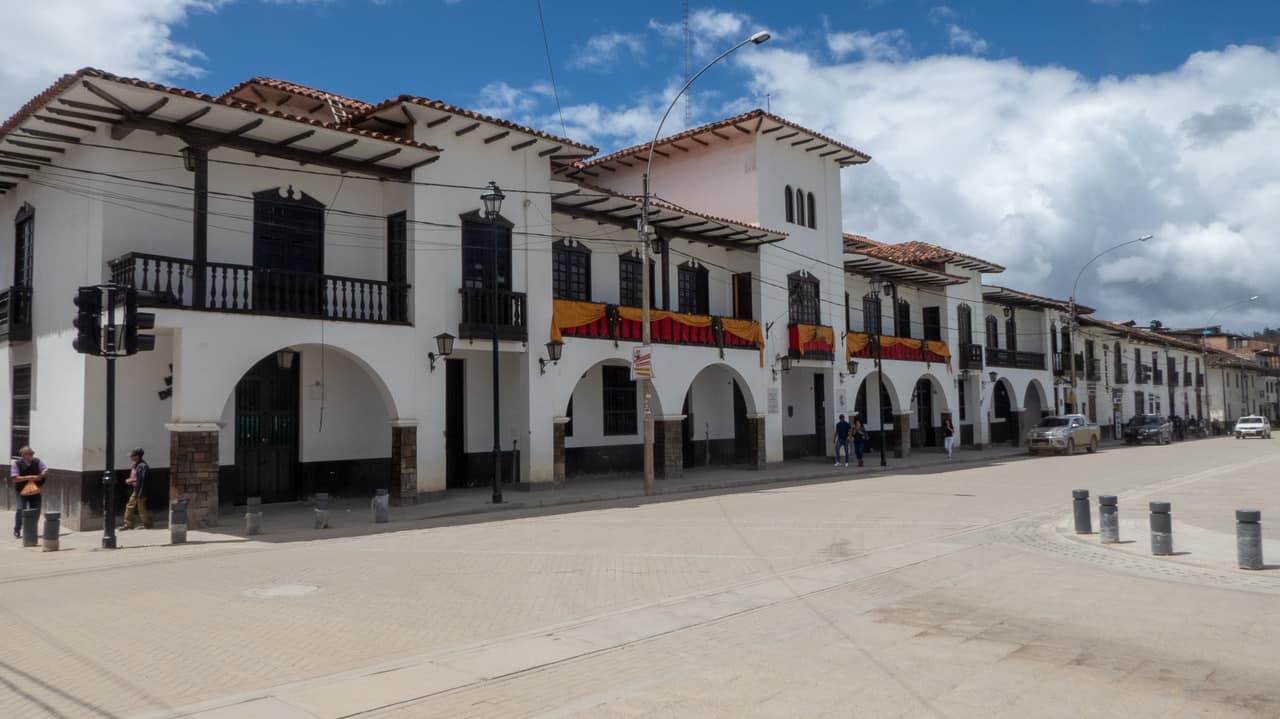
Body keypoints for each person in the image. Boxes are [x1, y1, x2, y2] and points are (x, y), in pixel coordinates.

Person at [10, 446, 47, 539]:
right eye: (29, 454)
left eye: (32, 453)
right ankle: (17, 529)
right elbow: (15, 478)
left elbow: (45, 470)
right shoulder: (16, 464)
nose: (32, 455)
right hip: (22, 491)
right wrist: (29, 477)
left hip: (35, 490)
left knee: (36, 510)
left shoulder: (37, 461)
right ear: (23, 455)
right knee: (20, 509)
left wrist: (41, 475)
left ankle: (32, 529)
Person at [121, 447, 152, 530]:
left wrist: (132, 480)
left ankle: (147, 523)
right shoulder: (136, 465)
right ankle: (128, 524)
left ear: (137, 456)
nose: (131, 457)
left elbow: (142, 479)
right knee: (130, 505)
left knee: (141, 507)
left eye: (132, 455)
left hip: (141, 489)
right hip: (136, 489)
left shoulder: (142, 466)